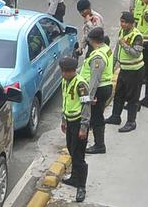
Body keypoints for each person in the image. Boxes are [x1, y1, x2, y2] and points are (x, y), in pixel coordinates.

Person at [106, 11, 145, 133]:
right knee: (119, 94)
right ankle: (115, 116)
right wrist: (112, 66)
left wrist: (125, 45)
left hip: (135, 71)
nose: (122, 24)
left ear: (131, 24)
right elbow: (117, 50)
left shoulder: (137, 36)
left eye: (124, 22)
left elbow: (136, 53)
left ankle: (131, 122)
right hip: (124, 69)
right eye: (121, 21)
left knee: (133, 98)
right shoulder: (121, 32)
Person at [60, 55, 90, 203]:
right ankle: (74, 178)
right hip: (70, 122)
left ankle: (81, 187)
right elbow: (65, 100)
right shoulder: (65, 82)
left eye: (65, 71)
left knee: (79, 157)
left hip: (79, 123)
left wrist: (83, 128)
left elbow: (86, 106)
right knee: (71, 150)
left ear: (71, 71)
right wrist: (63, 119)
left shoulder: (81, 84)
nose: (62, 74)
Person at [80, 26, 114, 154]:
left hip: (99, 89)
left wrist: (90, 96)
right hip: (105, 86)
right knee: (97, 115)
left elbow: (95, 79)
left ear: (93, 40)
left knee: (96, 117)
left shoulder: (98, 56)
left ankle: (99, 145)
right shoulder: (106, 48)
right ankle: (97, 142)